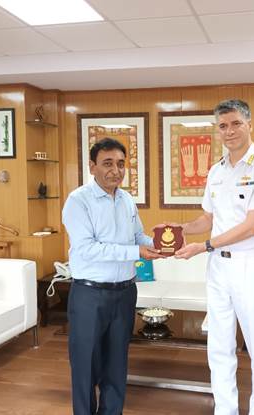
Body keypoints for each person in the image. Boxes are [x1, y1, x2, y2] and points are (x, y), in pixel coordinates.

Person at [171, 99, 254, 415]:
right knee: (219, 344)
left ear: (249, 125)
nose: (229, 131)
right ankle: (225, 409)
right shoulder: (216, 170)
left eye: (236, 123)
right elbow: (207, 219)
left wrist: (204, 246)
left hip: (250, 264)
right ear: (217, 130)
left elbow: (252, 225)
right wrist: (180, 229)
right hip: (218, 267)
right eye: (223, 125)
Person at [62, 137, 163, 415]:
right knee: (85, 364)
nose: (115, 170)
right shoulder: (78, 201)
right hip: (90, 294)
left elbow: (137, 236)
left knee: (117, 363)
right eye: (107, 163)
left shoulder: (126, 199)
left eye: (120, 164)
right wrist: (136, 251)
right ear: (92, 166)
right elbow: (88, 249)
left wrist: (161, 244)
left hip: (125, 292)